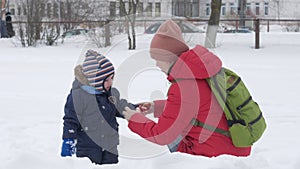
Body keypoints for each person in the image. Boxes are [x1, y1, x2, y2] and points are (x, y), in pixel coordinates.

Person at [123, 19, 251, 157]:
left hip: (216, 153)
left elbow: (163, 135)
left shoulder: (184, 86)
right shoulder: (200, 73)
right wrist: (156, 107)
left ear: (167, 58)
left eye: (157, 59)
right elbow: (193, 106)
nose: (157, 65)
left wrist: (134, 119)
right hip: (234, 145)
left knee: (170, 137)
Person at [61, 50, 136, 165]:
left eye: (112, 78)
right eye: (106, 80)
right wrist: (68, 140)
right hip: (87, 149)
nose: (110, 83)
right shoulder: (79, 96)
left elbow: (120, 106)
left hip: (110, 148)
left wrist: (135, 109)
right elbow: (70, 120)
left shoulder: (110, 93)